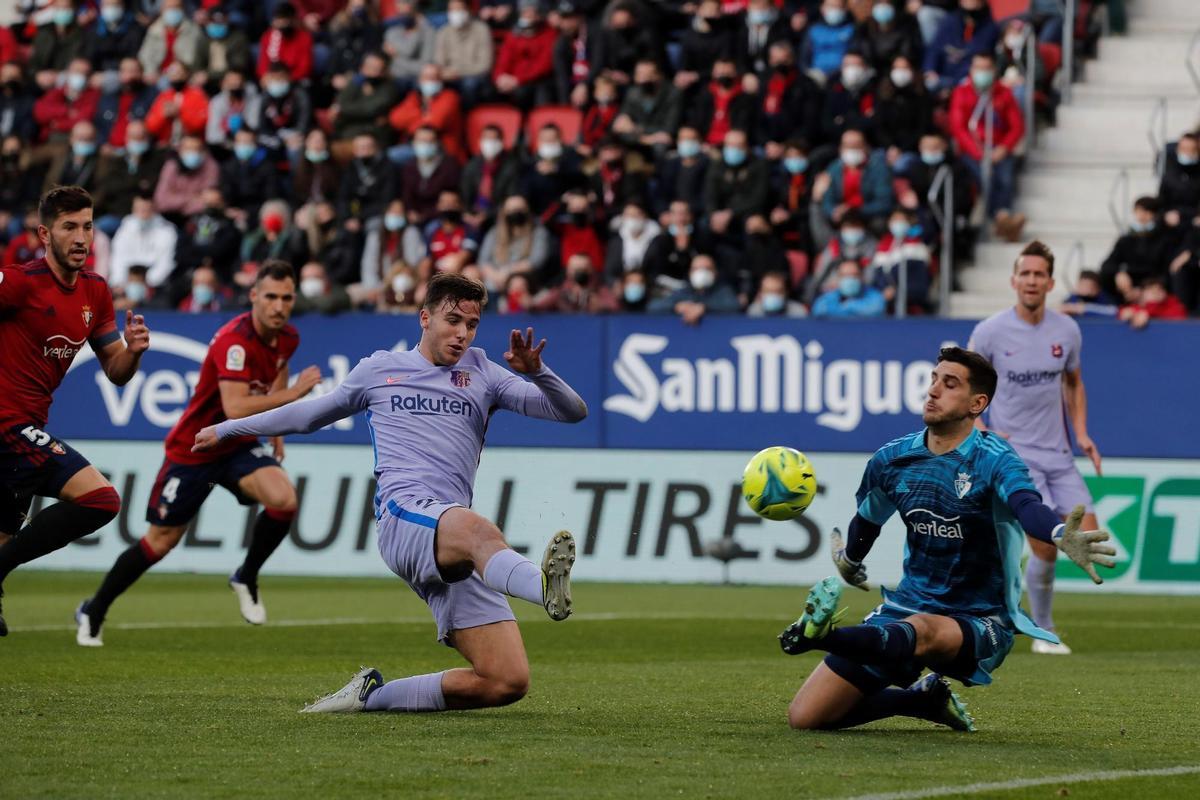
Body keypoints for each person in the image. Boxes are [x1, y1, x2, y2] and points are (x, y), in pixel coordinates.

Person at [193, 273, 586, 714]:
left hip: (448, 537)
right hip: (405, 519)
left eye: (471, 325)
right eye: (452, 320)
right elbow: (308, 416)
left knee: (505, 681)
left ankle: (370, 697)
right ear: (424, 317)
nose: (462, 334)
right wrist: (228, 430)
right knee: (477, 530)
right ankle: (543, 586)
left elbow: (571, 412)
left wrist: (540, 374)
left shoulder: (483, 372)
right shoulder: (380, 369)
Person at [779, 347, 1116, 731]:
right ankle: (920, 699)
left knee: (923, 630)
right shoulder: (892, 459)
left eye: (949, 384)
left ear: (977, 403)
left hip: (980, 618)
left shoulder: (995, 458)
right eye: (933, 379)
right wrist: (852, 560)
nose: (933, 391)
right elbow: (869, 519)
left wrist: (1057, 533)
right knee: (806, 717)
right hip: (910, 602)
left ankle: (825, 637)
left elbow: (1026, 504)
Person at [75, 261, 322, 647]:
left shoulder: (287, 336)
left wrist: (276, 430)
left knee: (284, 500)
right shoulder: (233, 341)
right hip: (195, 448)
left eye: (286, 298)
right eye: (270, 296)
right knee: (160, 541)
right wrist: (293, 396)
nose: (279, 305)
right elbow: (236, 407)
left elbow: (278, 368)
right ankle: (94, 608)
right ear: (254, 296)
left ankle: (246, 576)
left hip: (236, 444)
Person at [0, 186, 151, 636]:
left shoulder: (96, 292)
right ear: (45, 234)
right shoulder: (20, 282)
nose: (81, 236)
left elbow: (117, 371)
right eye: (69, 227)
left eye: (87, 225)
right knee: (101, 499)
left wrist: (135, 352)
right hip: (7, 425)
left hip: (26, 431)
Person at [967, 241, 1103, 655]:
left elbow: (1074, 382)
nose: (1031, 280)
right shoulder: (989, 332)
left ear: (1049, 281)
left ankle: (1008, 589)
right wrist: (981, 428)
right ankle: (1043, 629)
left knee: (1090, 537)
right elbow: (966, 387)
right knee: (1046, 543)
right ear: (1014, 280)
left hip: (1059, 454)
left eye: (1038, 274)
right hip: (1017, 455)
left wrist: (1081, 432)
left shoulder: (1067, 330)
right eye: (1024, 273)